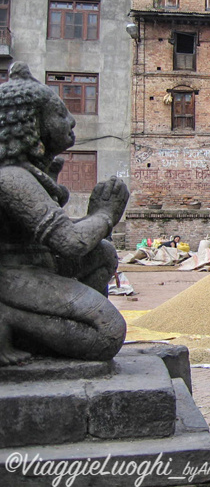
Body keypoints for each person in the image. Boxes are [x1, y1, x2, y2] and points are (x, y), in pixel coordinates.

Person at [0, 62, 129, 366]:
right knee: (107, 334)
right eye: (59, 113)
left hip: (37, 266)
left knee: (104, 254)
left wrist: (96, 222)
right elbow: (70, 243)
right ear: (31, 122)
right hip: (13, 277)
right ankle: (11, 319)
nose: (70, 120)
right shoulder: (11, 179)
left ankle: (51, 328)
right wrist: (104, 214)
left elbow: (63, 239)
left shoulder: (30, 174)